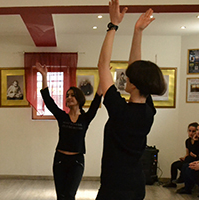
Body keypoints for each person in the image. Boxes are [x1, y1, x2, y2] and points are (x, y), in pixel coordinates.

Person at [96, 1, 166, 199]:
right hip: (136, 185)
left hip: (114, 188)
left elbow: (103, 65)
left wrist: (113, 26)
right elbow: (136, 67)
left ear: (135, 85)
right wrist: (138, 31)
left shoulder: (121, 111)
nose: (125, 77)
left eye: (128, 77)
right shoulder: (147, 110)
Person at [35, 62, 102, 200]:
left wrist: (103, 76)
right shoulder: (62, 117)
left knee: (70, 194)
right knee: (61, 195)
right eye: (67, 95)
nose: (69, 97)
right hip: (60, 160)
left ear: (79, 98)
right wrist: (44, 76)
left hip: (77, 161)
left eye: (72, 95)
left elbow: (97, 100)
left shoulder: (85, 118)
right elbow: (48, 101)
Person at [163, 122, 199, 188]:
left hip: (195, 160)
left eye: (193, 131)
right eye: (189, 131)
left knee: (187, 161)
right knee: (174, 164)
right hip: (189, 159)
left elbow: (194, 153)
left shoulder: (198, 141)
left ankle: (183, 178)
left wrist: (195, 142)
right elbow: (188, 154)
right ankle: (172, 182)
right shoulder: (187, 141)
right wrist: (184, 157)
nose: (191, 133)